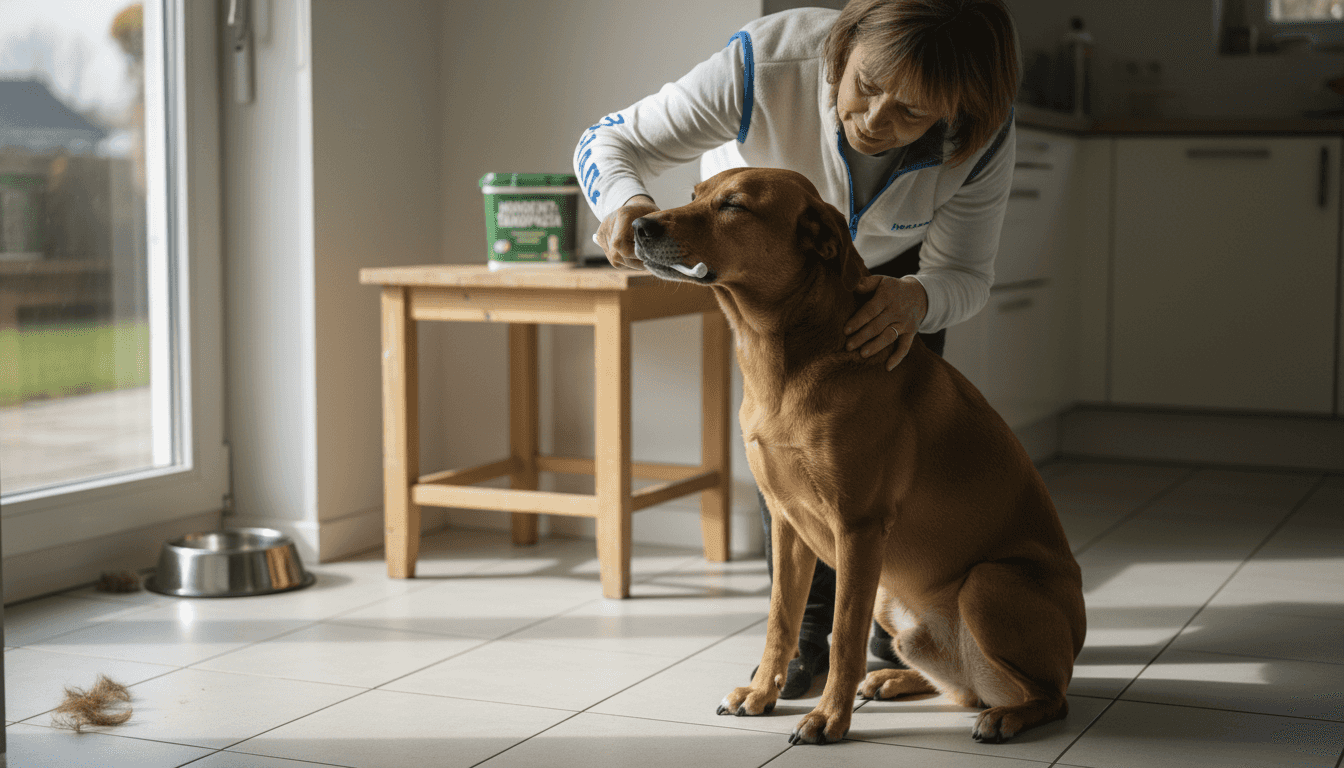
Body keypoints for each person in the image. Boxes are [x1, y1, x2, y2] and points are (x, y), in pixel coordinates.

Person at [578, 0, 1020, 697]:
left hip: (892, 286)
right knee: (789, 456)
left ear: (956, 109)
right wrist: (623, 203)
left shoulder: (980, 136)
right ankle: (805, 642)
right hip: (764, 272)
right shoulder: (763, 64)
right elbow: (607, 140)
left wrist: (919, 298)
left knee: (885, 478)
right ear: (844, 50)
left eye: (911, 113)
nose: (875, 121)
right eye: (867, 87)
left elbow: (964, 273)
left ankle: (900, 638)